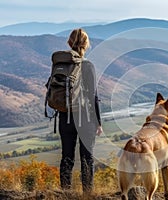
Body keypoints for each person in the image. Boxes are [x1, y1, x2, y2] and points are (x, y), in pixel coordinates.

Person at [58, 28, 103, 193]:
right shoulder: (87, 65)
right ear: (86, 44)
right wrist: (98, 122)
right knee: (87, 159)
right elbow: (93, 96)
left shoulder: (61, 64)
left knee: (66, 158)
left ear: (69, 43)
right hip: (85, 118)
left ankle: (64, 193)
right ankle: (87, 195)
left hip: (65, 116)